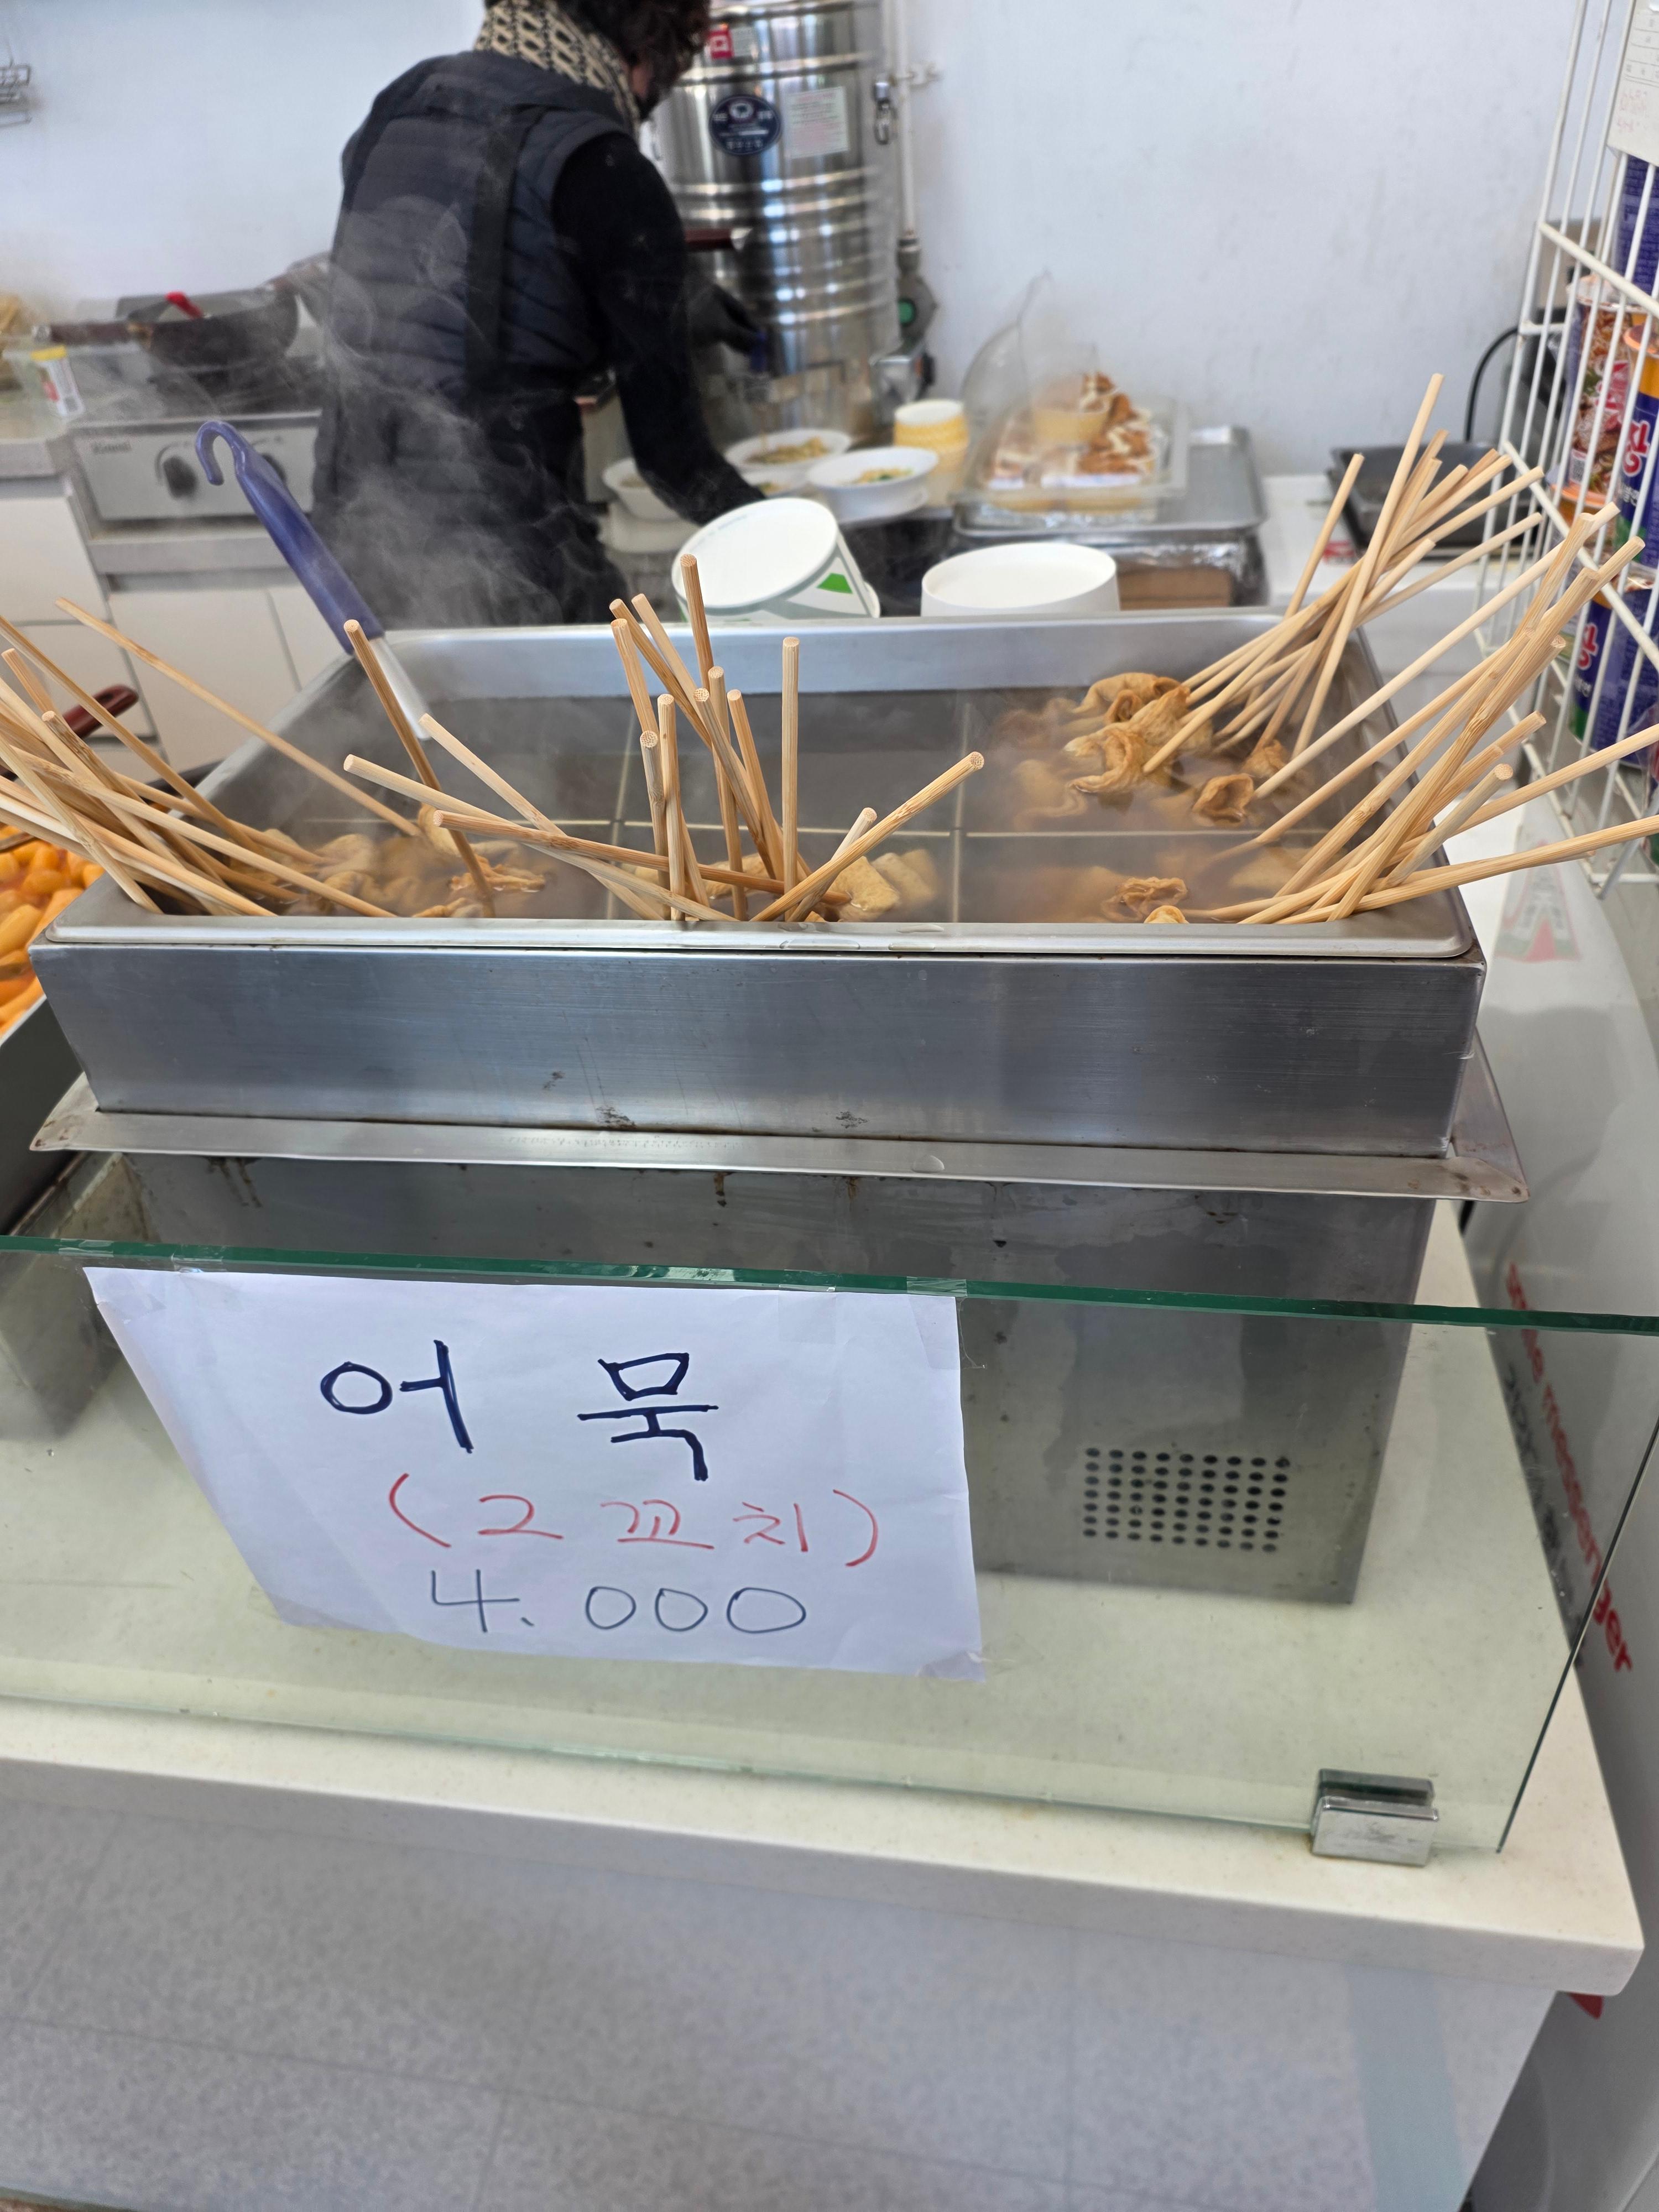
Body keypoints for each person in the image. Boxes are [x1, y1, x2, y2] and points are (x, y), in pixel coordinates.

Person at [311, 0, 763, 628]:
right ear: (644, 49)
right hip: (507, 571)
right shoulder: (603, 162)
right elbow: (675, 465)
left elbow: (466, 265)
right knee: (630, 691)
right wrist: (799, 544)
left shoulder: (403, 103)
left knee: (412, 698)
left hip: (355, 547)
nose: (644, 105)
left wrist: (667, 297)